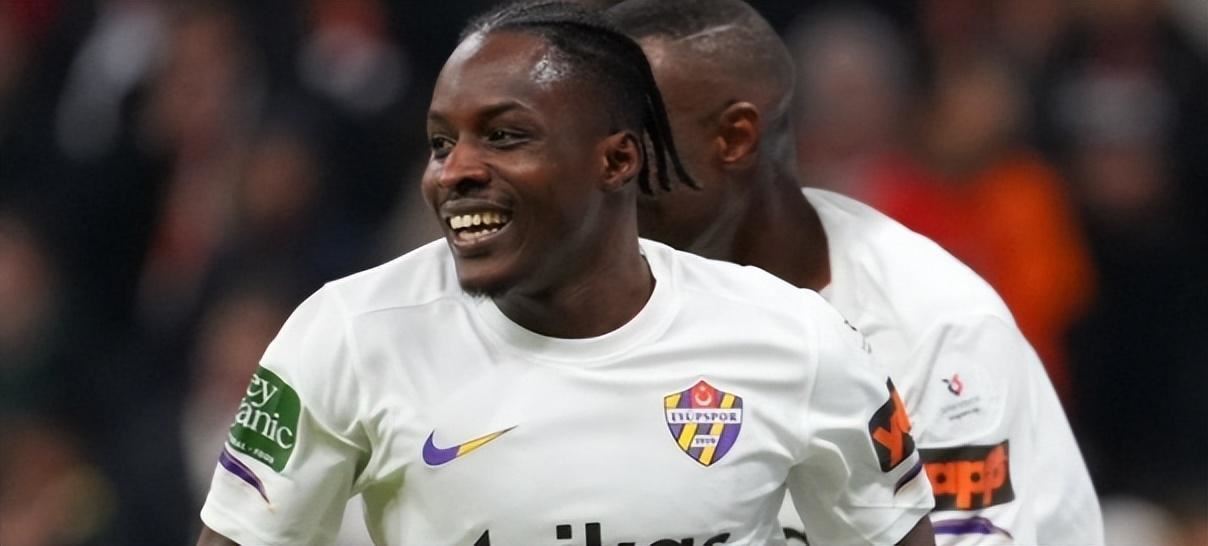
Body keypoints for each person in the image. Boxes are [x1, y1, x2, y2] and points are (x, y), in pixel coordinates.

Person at [195, 2, 936, 545]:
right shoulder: (350, 335)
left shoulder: (796, 338)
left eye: (504, 136)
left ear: (617, 159)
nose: (454, 172)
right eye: (441, 143)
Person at [607, 0, 1104, 544]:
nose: (605, 173)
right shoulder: (589, 301)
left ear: (734, 138)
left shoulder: (935, 324)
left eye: (633, 144)